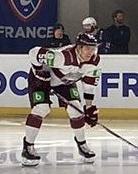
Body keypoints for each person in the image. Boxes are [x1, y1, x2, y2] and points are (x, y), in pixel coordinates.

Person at [21, 33, 101, 166]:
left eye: (93, 48)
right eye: (87, 48)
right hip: (40, 80)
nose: (90, 52)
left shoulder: (94, 61)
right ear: (78, 47)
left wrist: (89, 107)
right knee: (41, 108)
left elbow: (89, 84)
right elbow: (34, 53)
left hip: (65, 83)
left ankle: (82, 144)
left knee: (77, 111)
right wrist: (40, 71)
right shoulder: (63, 57)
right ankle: (28, 147)